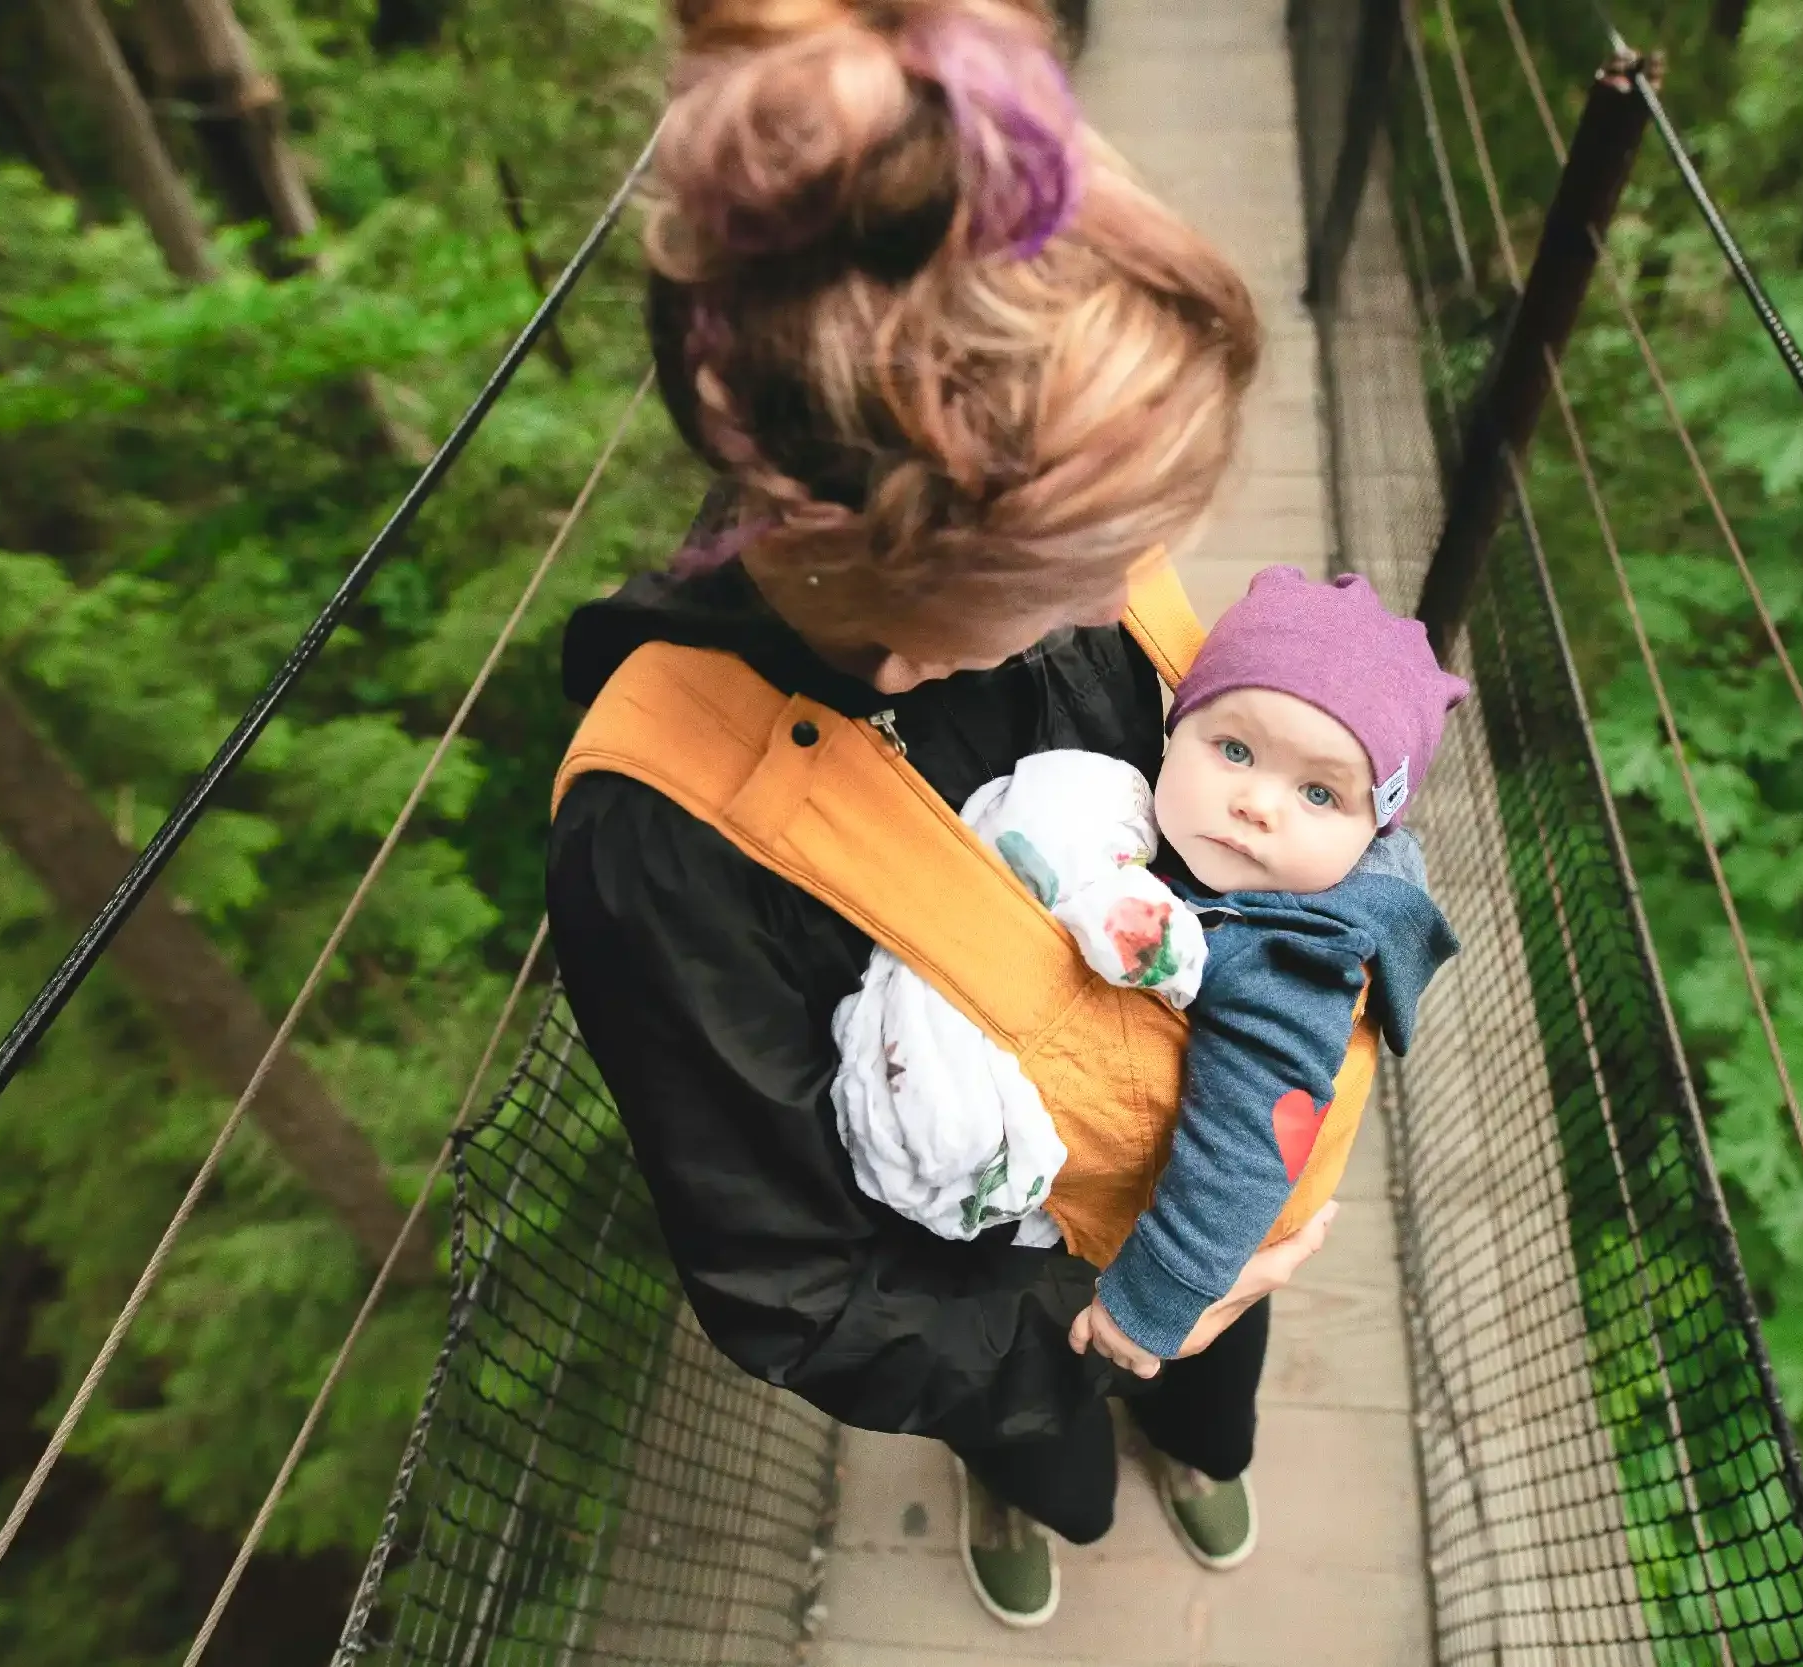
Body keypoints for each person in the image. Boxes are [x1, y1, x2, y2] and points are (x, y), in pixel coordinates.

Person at [544, 0, 1337, 1632]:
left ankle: (1200, 1436)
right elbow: (797, 1283)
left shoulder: (1056, 581)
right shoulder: (664, 842)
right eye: (1074, 573)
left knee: (1215, 1382)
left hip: (1193, 1157)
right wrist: (1113, 1316)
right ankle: (1037, 1477)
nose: (1121, 600)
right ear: (907, 597)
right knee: (1049, 1443)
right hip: (996, 1297)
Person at [826, 567, 1468, 1394]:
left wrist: (1155, 1301)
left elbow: (1251, 1138)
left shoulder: (1289, 960)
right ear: (1179, 725)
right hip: (1156, 1208)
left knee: (1201, 1392)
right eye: (1234, 750)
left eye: (1318, 792)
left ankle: (1204, 1448)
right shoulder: (1215, 862)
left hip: (1192, 1244)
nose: (1256, 802)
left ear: (1372, 830)